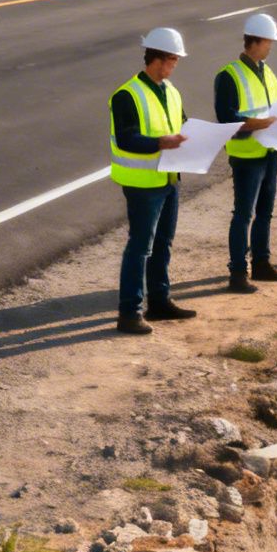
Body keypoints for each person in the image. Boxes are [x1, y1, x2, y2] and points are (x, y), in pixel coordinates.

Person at [108, 27, 199, 335]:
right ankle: (129, 312)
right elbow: (126, 139)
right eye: (173, 59)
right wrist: (161, 142)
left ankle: (159, 302)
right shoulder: (127, 94)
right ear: (158, 59)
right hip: (143, 184)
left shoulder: (170, 91)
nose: (175, 65)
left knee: (163, 244)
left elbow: (182, 124)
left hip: (169, 179)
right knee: (140, 247)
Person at [215, 12, 277, 292]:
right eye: (269, 41)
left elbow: (275, 107)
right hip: (246, 157)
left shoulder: (267, 72)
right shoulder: (229, 75)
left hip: (269, 151)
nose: (271, 46)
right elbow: (226, 119)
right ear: (255, 41)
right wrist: (257, 124)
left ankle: (261, 264)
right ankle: (237, 274)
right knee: (243, 214)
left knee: (265, 212)